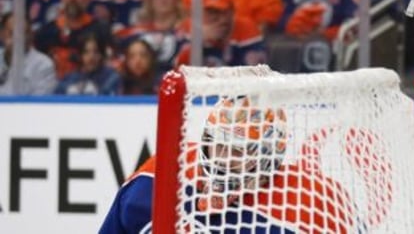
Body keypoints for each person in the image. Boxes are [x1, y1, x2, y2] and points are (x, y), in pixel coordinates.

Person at [100, 96, 358, 233]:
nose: (222, 158)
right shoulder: (158, 177)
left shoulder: (312, 203)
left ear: (269, 155)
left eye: (237, 150)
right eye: (218, 144)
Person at [0, 14, 57, 96]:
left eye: (23, 33)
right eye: (11, 33)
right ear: (2, 34)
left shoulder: (44, 65)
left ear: (31, 35)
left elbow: (39, 103)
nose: (17, 38)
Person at [54, 31, 121, 95]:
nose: (91, 57)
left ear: (102, 54)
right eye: (86, 52)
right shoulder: (69, 78)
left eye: (96, 52)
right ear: (80, 55)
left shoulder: (111, 77)